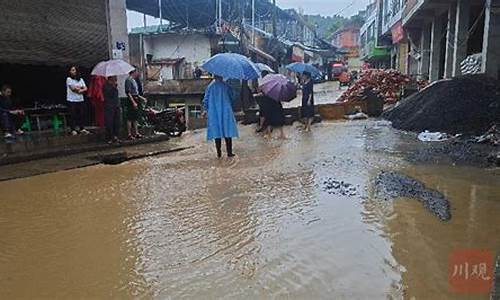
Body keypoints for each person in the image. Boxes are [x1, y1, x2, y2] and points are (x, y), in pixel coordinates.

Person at [202, 75, 239, 158]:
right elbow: (232, 96)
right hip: (225, 110)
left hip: (214, 112)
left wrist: (205, 109)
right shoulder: (226, 86)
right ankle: (229, 153)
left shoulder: (210, 87)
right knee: (227, 131)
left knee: (216, 132)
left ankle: (219, 154)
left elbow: (206, 99)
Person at [125, 68, 147, 140]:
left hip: (136, 98)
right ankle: (129, 134)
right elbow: (128, 92)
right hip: (131, 100)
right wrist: (133, 102)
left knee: (135, 117)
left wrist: (142, 98)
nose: (137, 73)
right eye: (136, 71)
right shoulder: (128, 80)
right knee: (130, 117)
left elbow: (136, 93)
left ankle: (136, 133)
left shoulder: (134, 80)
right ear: (133, 72)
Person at [66, 66, 89, 135]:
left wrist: (80, 89)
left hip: (80, 99)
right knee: (73, 114)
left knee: (81, 114)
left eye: (74, 70)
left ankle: (82, 128)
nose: (73, 71)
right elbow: (72, 88)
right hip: (71, 100)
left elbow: (85, 88)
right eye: (72, 70)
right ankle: (73, 129)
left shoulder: (81, 79)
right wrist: (79, 88)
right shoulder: (69, 79)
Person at [103, 76, 121, 144]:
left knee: (117, 122)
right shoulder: (106, 86)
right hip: (109, 106)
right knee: (109, 122)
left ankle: (116, 136)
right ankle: (110, 137)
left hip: (116, 106)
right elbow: (108, 94)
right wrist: (113, 87)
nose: (115, 81)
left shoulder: (115, 87)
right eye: (114, 79)